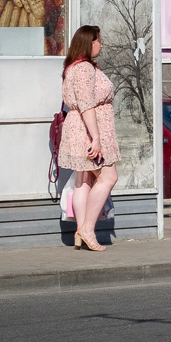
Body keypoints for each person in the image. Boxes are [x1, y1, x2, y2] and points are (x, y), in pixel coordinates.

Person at [58, 25, 118, 252]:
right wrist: (96, 138)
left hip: (80, 129)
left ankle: (80, 232)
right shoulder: (84, 69)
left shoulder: (73, 67)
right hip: (87, 131)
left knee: (83, 180)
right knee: (108, 177)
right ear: (88, 43)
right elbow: (87, 105)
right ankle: (87, 228)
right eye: (98, 41)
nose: (100, 45)